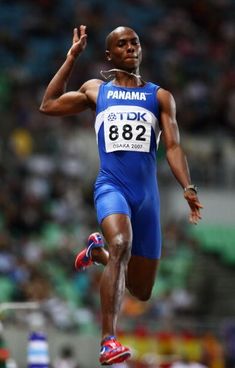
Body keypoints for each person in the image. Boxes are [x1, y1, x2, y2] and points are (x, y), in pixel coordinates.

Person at [40, 25, 203, 366]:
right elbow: (49, 104)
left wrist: (187, 186)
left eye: (135, 42)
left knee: (141, 291)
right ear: (109, 54)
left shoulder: (160, 96)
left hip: (147, 199)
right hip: (111, 187)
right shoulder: (97, 91)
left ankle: (96, 253)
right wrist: (71, 58)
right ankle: (108, 341)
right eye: (122, 44)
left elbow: (172, 146)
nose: (130, 48)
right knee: (121, 245)